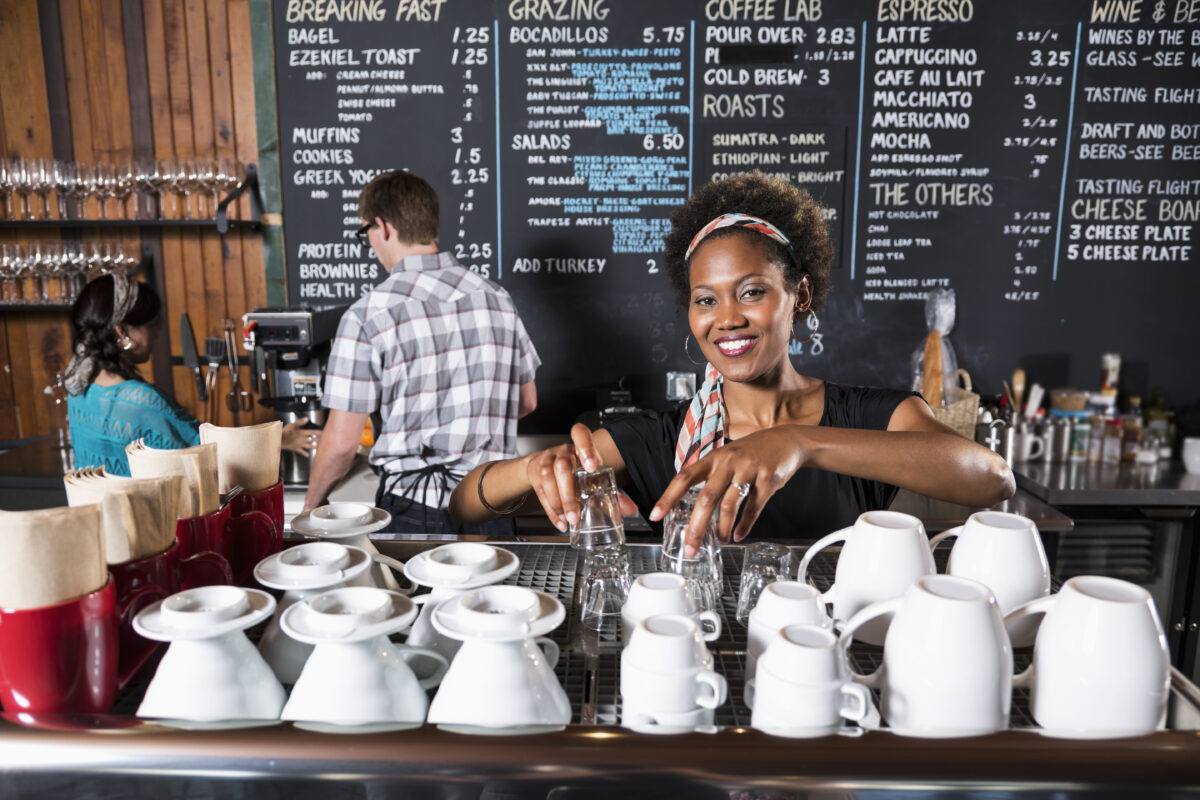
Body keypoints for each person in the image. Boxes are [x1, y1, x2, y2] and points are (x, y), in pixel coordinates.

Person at [448, 172, 1014, 550]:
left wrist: (800, 443)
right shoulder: (659, 439)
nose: (727, 318)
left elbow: (992, 478)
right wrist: (530, 470)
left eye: (751, 292)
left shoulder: (865, 415)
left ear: (802, 295)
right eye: (705, 300)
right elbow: (466, 504)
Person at [303, 170, 540, 536]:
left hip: (415, 509)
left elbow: (341, 444)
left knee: (416, 596)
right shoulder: (497, 299)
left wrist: (310, 509)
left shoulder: (369, 315)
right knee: (496, 595)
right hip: (492, 502)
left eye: (364, 231)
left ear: (382, 227)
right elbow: (526, 401)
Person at [65, 272, 317, 476]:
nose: (157, 335)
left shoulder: (78, 389)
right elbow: (208, 454)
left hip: (101, 531)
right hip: (151, 533)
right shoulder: (141, 402)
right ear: (121, 333)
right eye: (151, 326)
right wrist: (278, 440)